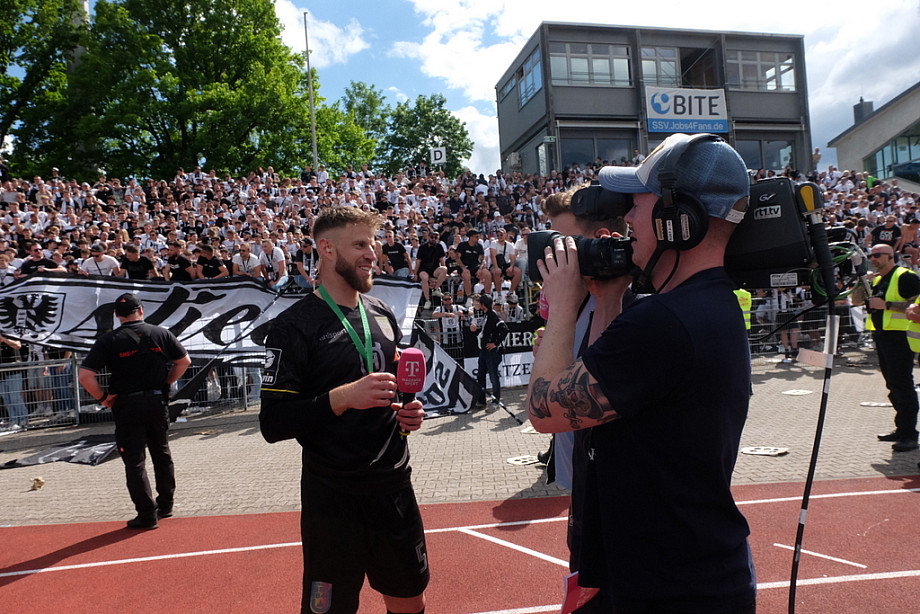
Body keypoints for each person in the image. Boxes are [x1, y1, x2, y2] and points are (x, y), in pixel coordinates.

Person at [526, 133, 756, 613]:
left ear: (677, 217)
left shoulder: (665, 321)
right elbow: (608, 401)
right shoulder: (704, 302)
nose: (627, 217)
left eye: (638, 202)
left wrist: (563, 302)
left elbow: (546, 411)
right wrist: (608, 300)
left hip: (668, 586)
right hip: (674, 569)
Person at [259, 206, 428, 614]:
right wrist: (343, 397)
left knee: (410, 601)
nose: (372, 254)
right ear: (327, 249)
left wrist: (409, 415)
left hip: (393, 488)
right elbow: (273, 424)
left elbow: (391, 394)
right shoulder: (292, 326)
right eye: (360, 245)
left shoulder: (382, 314)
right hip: (332, 500)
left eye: (373, 244)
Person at [78, 293, 191, 529]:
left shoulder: (109, 340)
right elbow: (184, 362)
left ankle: (147, 515)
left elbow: (85, 376)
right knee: (161, 452)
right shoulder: (161, 333)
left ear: (116, 315)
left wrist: (103, 398)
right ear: (141, 310)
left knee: (134, 460)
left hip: (127, 405)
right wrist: (166, 383)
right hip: (157, 401)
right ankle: (166, 505)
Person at [866, 243, 920, 452]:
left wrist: (887, 305)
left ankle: (909, 434)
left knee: (902, 384)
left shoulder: (905, 277)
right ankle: (901, 428)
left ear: (891, 256)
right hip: (883, 336)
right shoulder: (877, 280)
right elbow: (858, 300)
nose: (873, 259)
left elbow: (916, 305)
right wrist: (862, 283)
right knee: (892, 384)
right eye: (871, 256)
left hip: (900, 337)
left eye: (877, 255)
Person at [469, 293, 508, 407]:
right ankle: (481, 400)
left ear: (483, 305)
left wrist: (495, 343)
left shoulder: (492, 315)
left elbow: (504, 329)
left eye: (480, 303)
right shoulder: (486, 315)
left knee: (493, 376)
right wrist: (476, 329)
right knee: (480, 375)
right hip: (484, 351)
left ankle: (496, 400)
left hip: (491, 352)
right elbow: (486, 331)